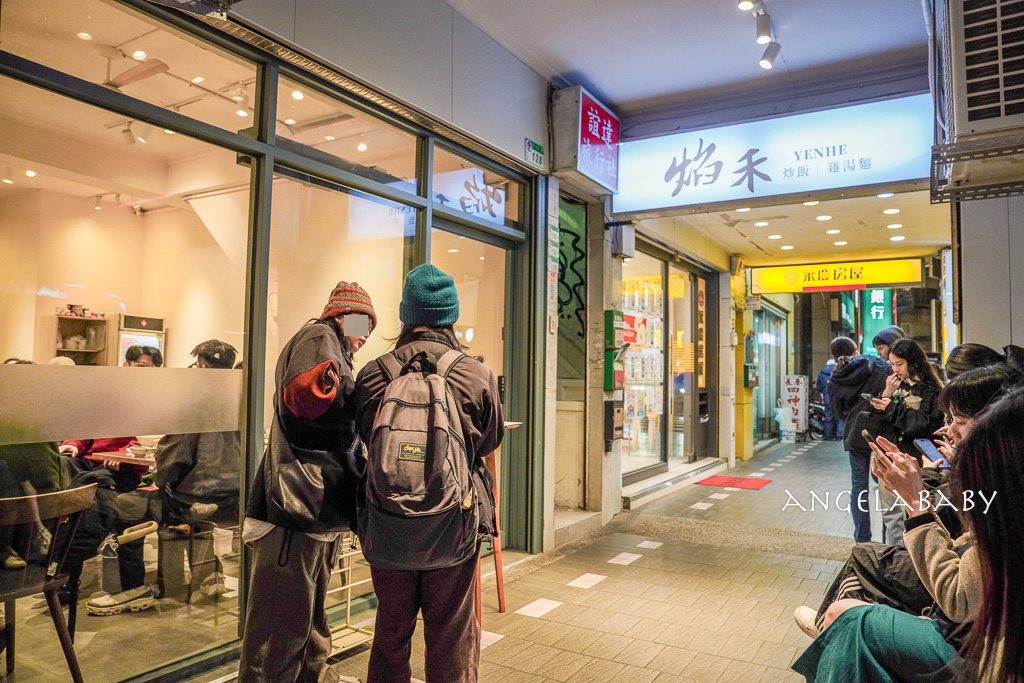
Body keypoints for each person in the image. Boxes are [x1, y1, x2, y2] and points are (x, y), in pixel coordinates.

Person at [792, 388, 1024, 682]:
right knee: (862, 565)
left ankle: (830, 633)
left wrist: (917, 496)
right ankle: (830, 633)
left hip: (968, 644)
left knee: (852, 610)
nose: (947, 429)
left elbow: (959, 599)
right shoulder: (1004, 497)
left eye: (960, 420)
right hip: (965, 623)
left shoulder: (1005, 504)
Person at [353, 264, 504, 683]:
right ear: (450, 316)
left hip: (387, 525)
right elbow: (489, 443)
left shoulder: (372, 374)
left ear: (406, 315)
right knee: (451, 635)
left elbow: (362, 439)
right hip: (453, 525)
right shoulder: (476, 375)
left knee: (390, 630)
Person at [238, 282, 375, 683]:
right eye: (360, 319)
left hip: (315, 508)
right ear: (339, 314)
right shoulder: (320, 336)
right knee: (280, 624)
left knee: (307, 618)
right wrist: (366, 398)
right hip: (294, 509)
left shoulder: (334, 349)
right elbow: (307, 397)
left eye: (370, 322)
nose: (366, 330)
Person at [826, 336, 890, 543]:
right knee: (887, 483)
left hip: (855, 431)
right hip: (884, 429)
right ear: (855, 350)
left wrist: (853, 414)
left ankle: (862, 539)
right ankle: (889, 537)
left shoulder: (835, 378)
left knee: (859, 486)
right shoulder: (879, 364)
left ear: (835, 356)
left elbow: (837, 412)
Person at [816, 358, 838, 440]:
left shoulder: (821, 374)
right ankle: (839, 436)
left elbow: (818, 387)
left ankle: (828, 437)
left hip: (827, 399)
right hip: (837, 399)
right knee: (839, 419)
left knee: (828, 418)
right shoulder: (838, 372)